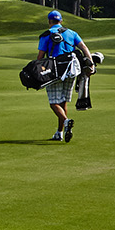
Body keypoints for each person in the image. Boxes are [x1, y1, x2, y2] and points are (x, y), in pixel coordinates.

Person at [37, 10, 92, 142]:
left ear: (49, 22)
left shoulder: (46, 35)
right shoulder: (71, 33)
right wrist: (90, 63)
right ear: (61, 21)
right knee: (63, 102)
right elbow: (83, 47)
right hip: (72, 70)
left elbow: (40, 57)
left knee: (54, 103)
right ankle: (59, 133)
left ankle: (66, 122)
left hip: (54, 71)